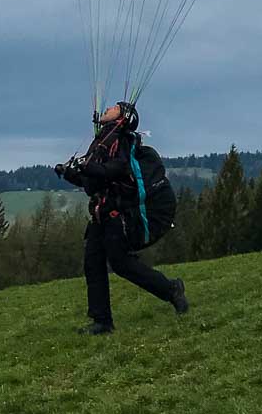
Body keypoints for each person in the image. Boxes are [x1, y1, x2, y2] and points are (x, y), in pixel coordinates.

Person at [56, 101, 189, 335]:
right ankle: (102, 321)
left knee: (121, 263)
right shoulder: (101, 143)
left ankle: (171, 289)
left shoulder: (123, 140)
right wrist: (69, 174)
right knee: (93, 263)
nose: (108, 108)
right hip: (101, 213)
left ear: (123, 116)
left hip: (117, 214)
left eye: (115, 107)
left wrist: (87, 168)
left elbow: (115, 170)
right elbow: (92, 184)